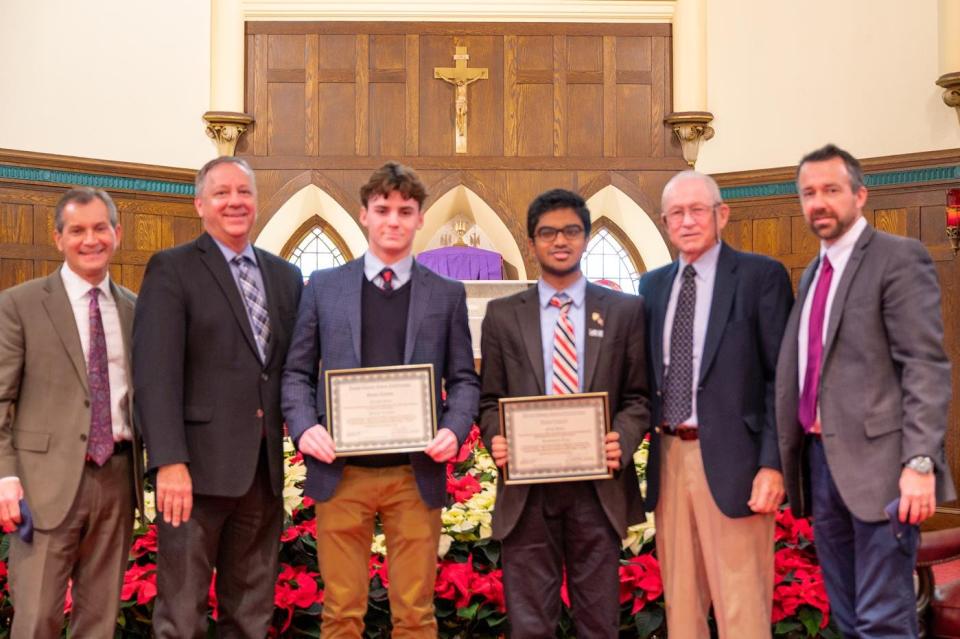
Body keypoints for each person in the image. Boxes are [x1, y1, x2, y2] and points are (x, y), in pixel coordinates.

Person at [282, 161, 479, 638]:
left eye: (405, 211)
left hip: (414, 473)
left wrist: (453, 429)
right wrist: (306, 426)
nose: (394, 219)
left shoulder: (446, 294)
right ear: (364, 214)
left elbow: (465, 380)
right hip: (341, 471)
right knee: (341, 612)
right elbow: (296, 373)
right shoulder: (324, 287)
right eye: (383, 209)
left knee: (415, 614)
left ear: (420, 218)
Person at [776, 144, 954, 638]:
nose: (819, 203)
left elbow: (924, 366)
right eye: (808, 193)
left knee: (884, 619)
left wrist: (919, 463)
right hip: (821, 465)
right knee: (850, 616)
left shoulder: (898, 257)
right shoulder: (815, 272)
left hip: (882, 468)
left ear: (860, 195)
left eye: (831, 190)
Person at [133, 156, 303, 638]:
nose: (235, 202)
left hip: (261, 473)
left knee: (250, 611)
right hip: (193, 474)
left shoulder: (285, 276)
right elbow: (155, 373)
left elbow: (291, 368)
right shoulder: (173, 268)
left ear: (256, 200)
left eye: (243, 192)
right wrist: (168, 461)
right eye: (222, 193)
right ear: (200, 204)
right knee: (182, 614)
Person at [478, 188, 649, 638]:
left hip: (597, 489)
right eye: (548, 232)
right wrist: (495, 435)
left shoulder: (625, 311)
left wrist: (623, 439)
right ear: (532, 241)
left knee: (599, 623)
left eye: (571, 231)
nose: (560, 240)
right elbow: (489, 399)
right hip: (527, 491)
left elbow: (639, 397)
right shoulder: (501, 316)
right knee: (530, 625)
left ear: (586, 238)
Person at [637, 171, 793, 638]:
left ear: (721, 214)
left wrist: (773, 464)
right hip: (669, 458)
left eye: (697, 210)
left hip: (737, 464)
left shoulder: (760, 277)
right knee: (682, 612)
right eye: (677, 214)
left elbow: (781, 381)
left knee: (741, 610)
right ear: (665, 223)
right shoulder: (652, 286)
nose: (687, 221)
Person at [0, 187, 143, 637]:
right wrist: (5, 476)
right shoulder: (19, 304)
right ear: (58, 237)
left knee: (99, 621)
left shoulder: (136, 310)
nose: (90, 239)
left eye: (101, 228)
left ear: (117, 234)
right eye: (77, 230)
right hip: (42, 486)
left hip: (117, 479)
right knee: (38, 616)